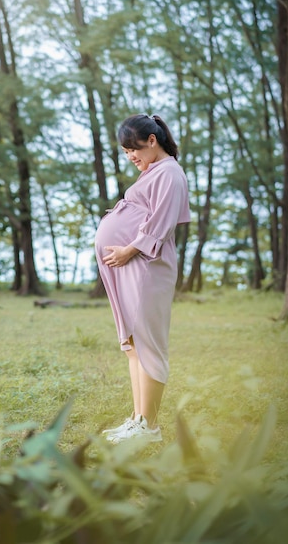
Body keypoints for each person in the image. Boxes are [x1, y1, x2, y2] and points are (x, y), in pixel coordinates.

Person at [95, 113, 191, 443]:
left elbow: (161, 225)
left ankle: (148, 426)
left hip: (147, 266)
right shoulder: (153, 172)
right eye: (124, 152)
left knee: (148, 344)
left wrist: (128, 251)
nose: (130, 157)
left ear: (152, 141)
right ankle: (138, 419)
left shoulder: (170, 173)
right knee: (134, 345)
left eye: (133, 149)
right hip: (134, 266)